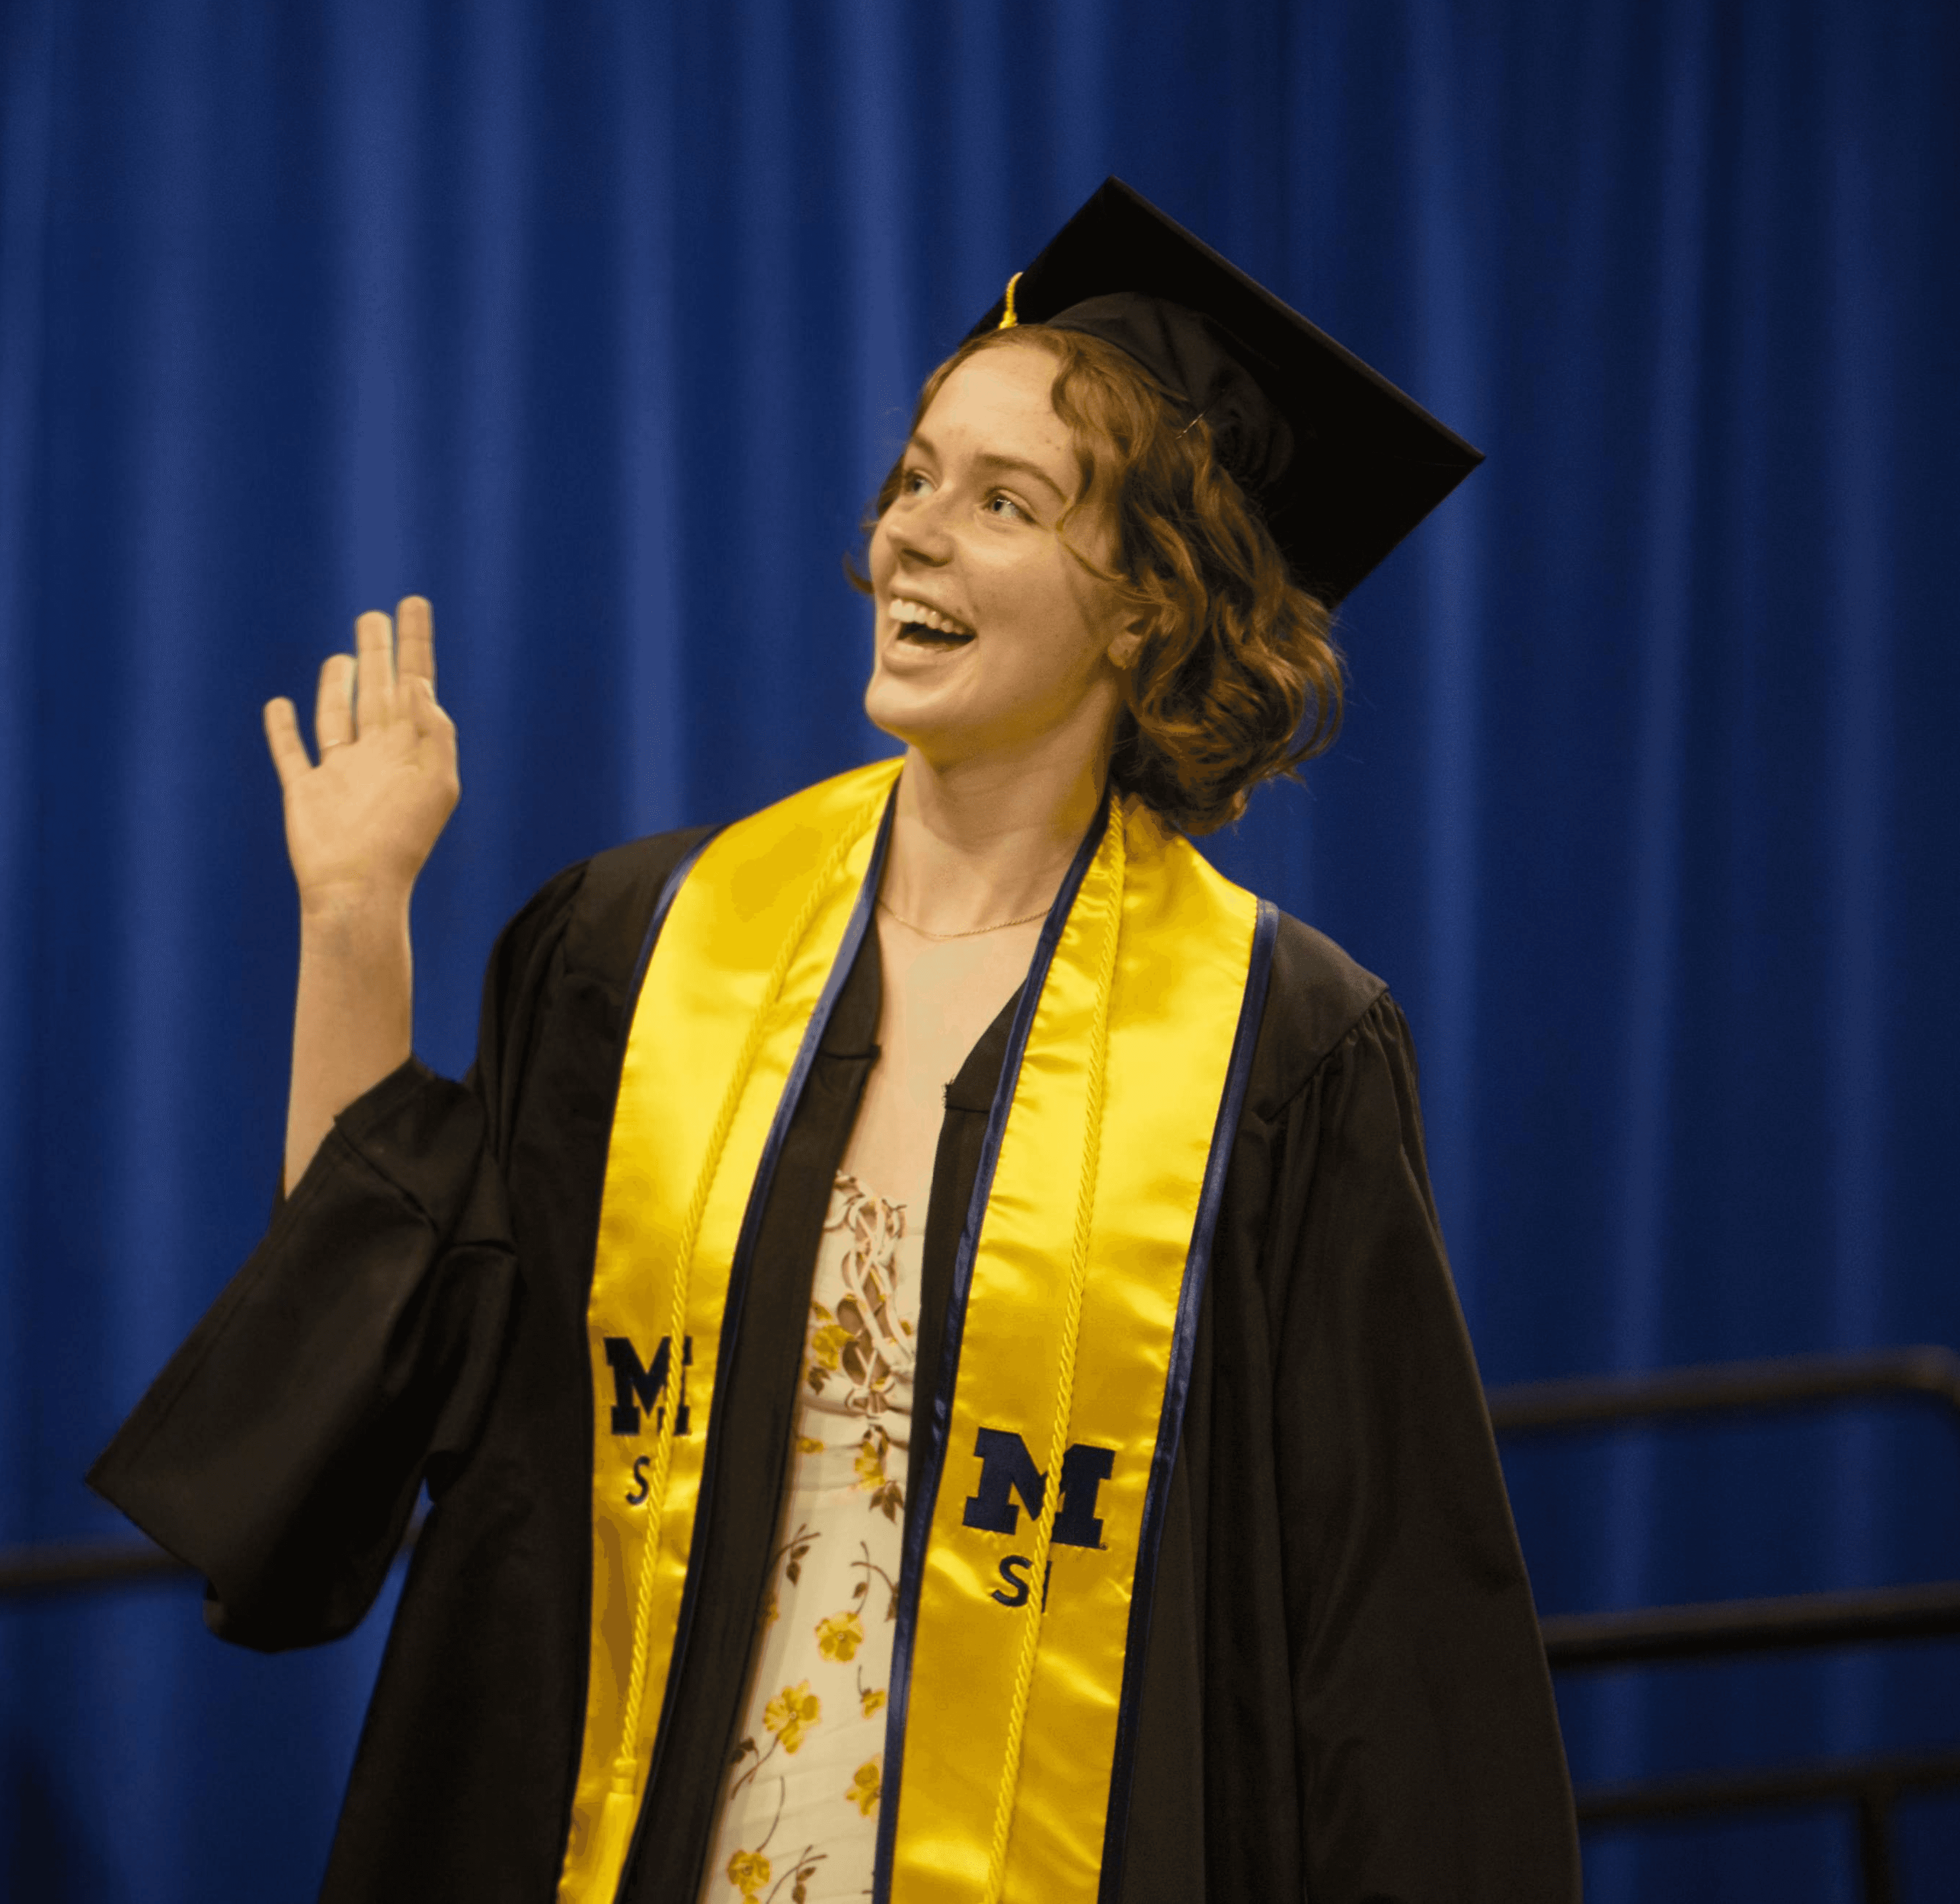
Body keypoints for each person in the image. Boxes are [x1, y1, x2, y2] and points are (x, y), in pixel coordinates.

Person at [90, 181, 1579, 1903]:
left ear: (1146, 608)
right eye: (915, 476)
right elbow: (379, 1347)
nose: (911, 535)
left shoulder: (1277, 1049)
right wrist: (353, 917)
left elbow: (1390, 1632)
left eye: (1004, 502)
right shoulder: (647, 952)